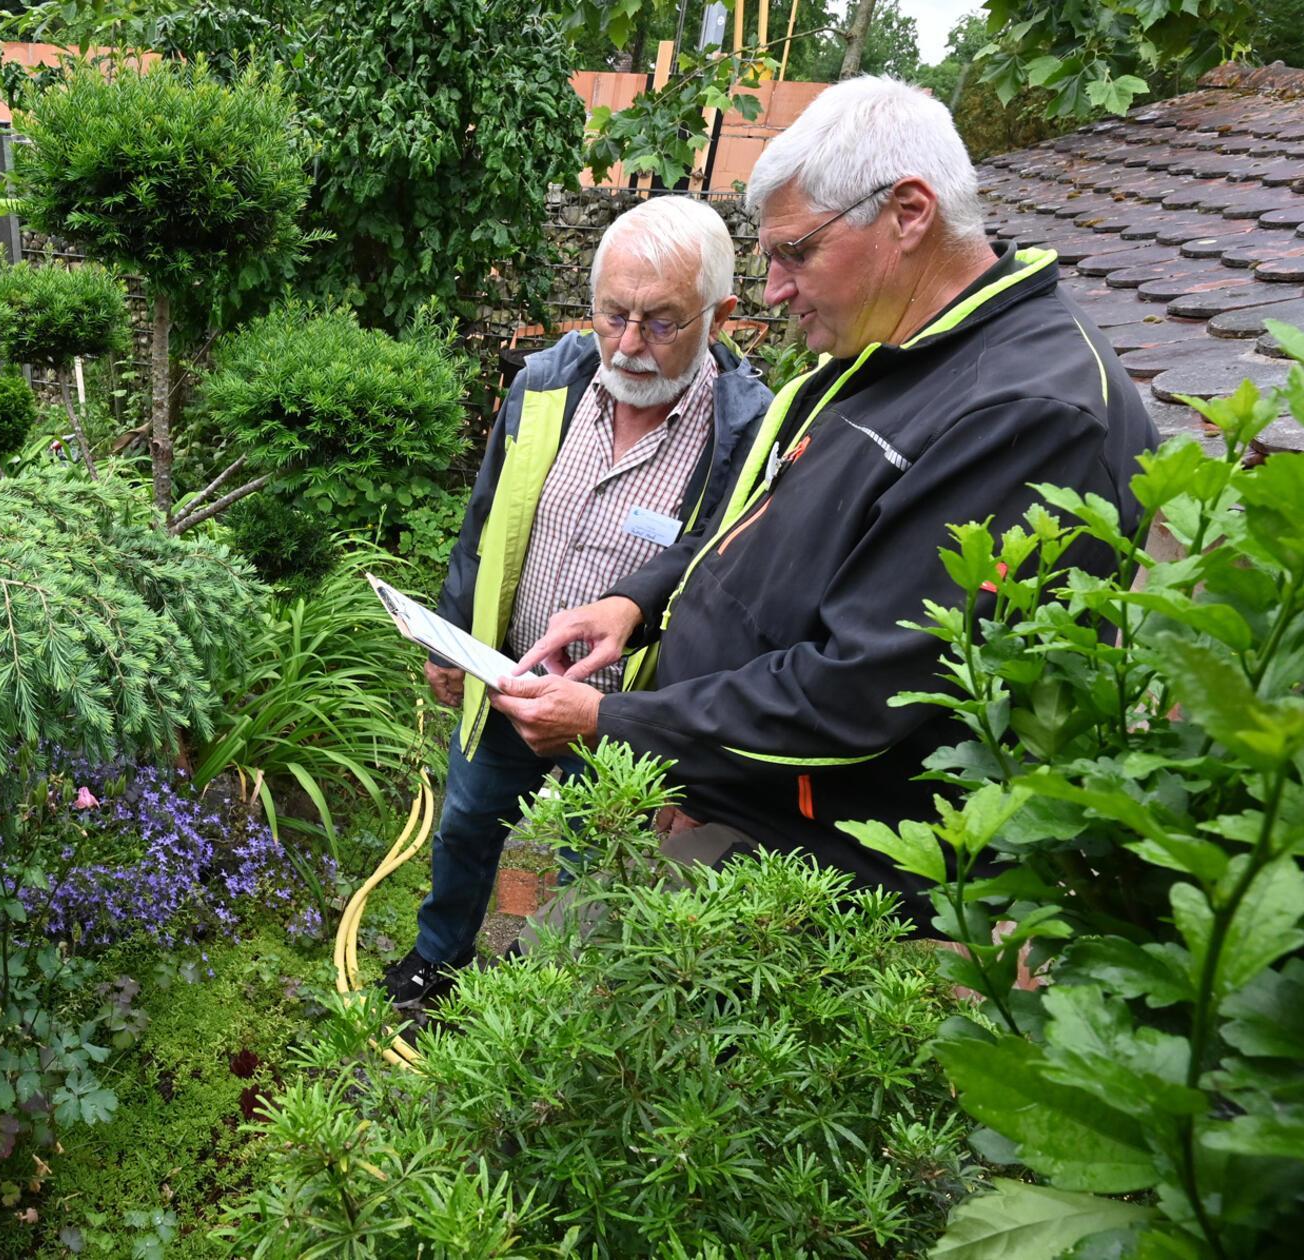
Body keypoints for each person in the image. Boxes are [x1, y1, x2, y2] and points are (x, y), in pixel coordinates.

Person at [491, 76, 1158, 905]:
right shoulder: (891, 351)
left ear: (908, 213)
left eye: (796, 252)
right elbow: (753, 534)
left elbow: (854, 694)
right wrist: (637, 605)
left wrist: (616, 723)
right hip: (735, 798)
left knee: (564, 965)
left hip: (816, 869)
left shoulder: (1024, 413)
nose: (775, 290)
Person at [381, 196, 775, 1011]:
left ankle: (536, 1009)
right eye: (612, 314)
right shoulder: (545, 386)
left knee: (591, 876)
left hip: (626, 717)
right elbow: (484, 522)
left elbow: (735, 590)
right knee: (465, 825)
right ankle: (438, 959)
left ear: (723, 314)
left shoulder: (746, 437)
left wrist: (694, 765)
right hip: (510, 678)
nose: (627, 345)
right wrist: (450, 639)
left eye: (661, 323)